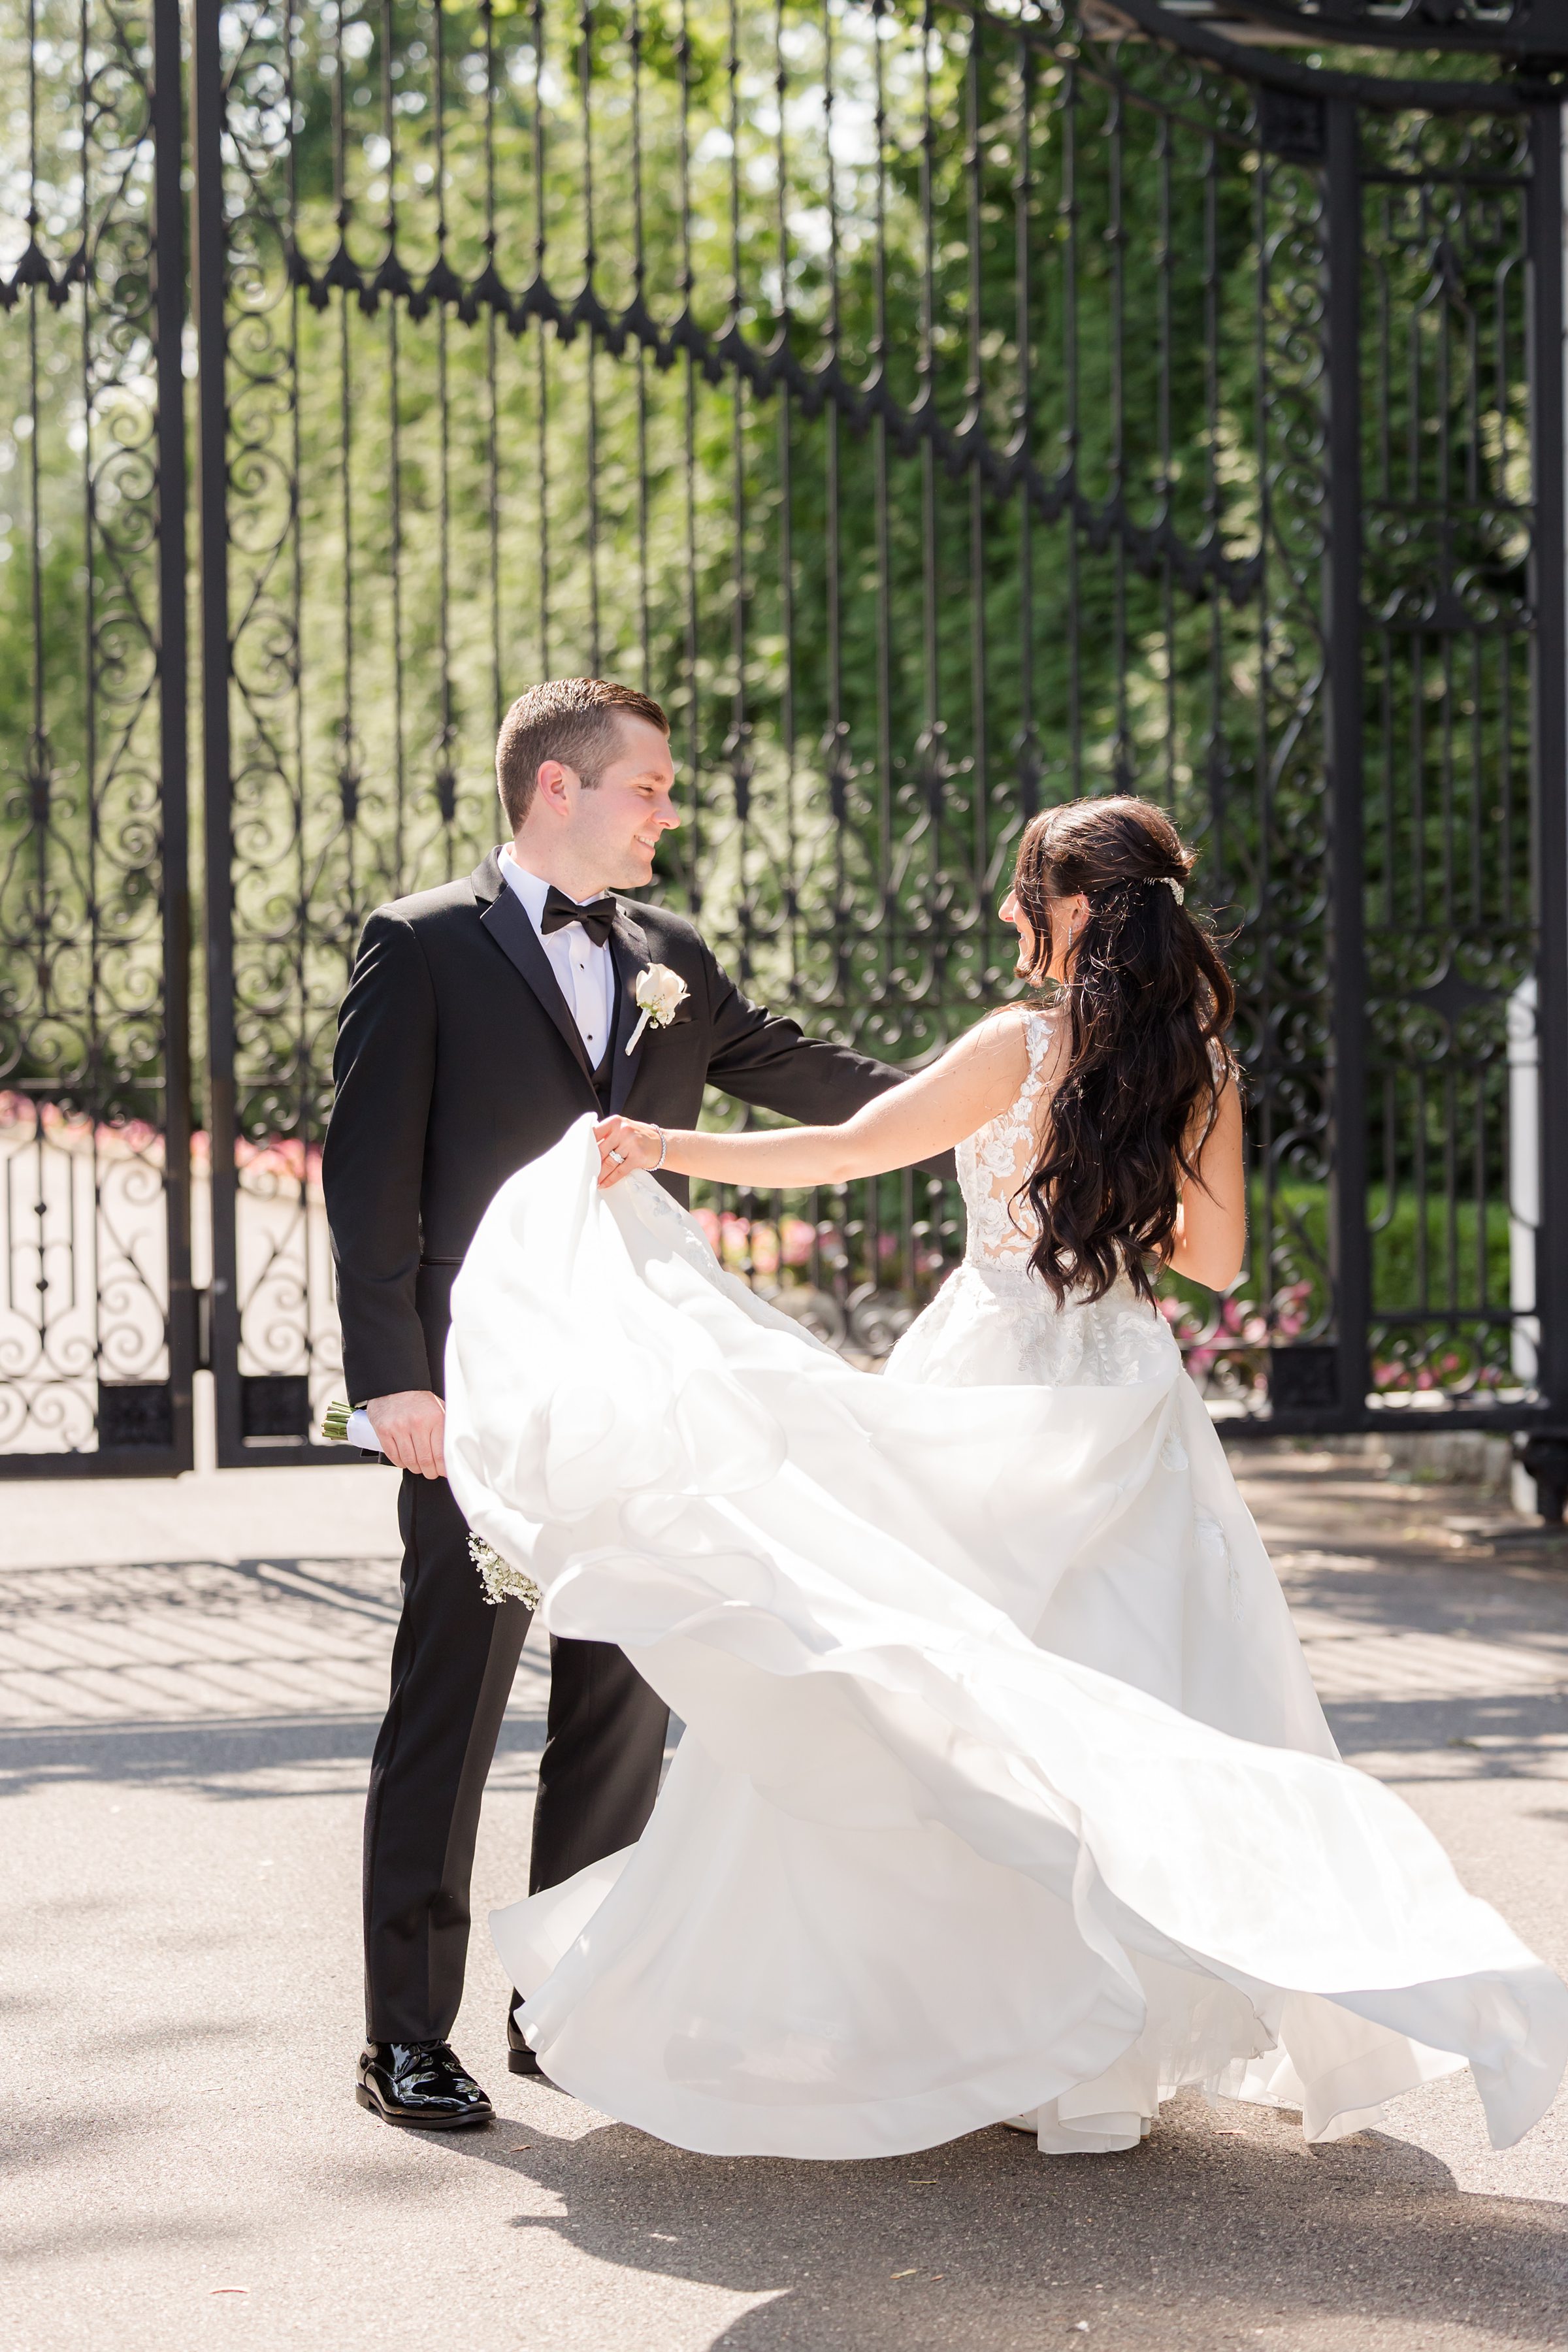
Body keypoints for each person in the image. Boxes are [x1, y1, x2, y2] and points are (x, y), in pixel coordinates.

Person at [443, 794, 1568, 2158]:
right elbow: (1211, 1262)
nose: (1002, 916)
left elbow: (848, 1152)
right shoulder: (1196, 1064)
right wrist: (1125, 1164)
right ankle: (1091, 2049)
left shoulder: (1013, 1048)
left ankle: (980, 2026)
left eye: (1020, 893)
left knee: (940, 1694)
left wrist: (667, 1150)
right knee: (1128, 1688)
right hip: (1118, 1388)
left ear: (1076, 908)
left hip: (984, 1372)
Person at [323, 676, 950, 2129]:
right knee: (455, 1705)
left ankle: (571, 2001)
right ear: (559, 788)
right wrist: (393, 1380)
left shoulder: (672, 953)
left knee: (620, 1694)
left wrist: (994, 1090)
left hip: (640, 1385)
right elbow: (370, 1184)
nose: (668, 810)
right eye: (648, 787)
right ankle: (404, 2035)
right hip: (478, 1392)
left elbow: (814, 1077)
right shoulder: (420, 948)